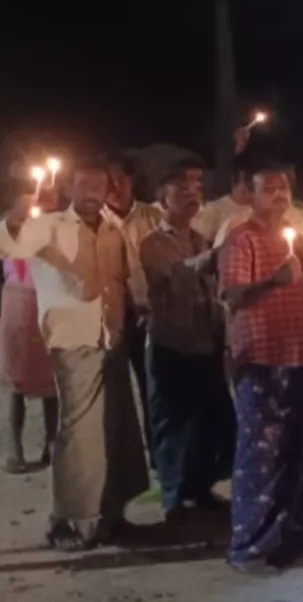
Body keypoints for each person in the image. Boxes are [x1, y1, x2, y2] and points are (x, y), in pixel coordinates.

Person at [0, 160, 150, 552]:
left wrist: (142, 305)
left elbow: (127, 274)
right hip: (73, 341)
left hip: (111, 338)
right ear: (69, 189)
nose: (91, 194)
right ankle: (68, 520)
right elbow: (8, 245)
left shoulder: (112, 227)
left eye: (98, 186)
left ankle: (110, 515)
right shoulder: (47, 225)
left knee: (117, 428)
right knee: (81, 434)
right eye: (83, 186)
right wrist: (16, 217)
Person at [219, 162, 303, 574]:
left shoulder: (300, 240)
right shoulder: (241, 240)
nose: (278, 194)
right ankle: (252, 545)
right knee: (261, 456)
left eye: (283, 187)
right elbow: (233, 297)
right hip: (263, 360)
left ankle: (298, 531)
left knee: (302, 453)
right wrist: (273, 280)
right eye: (268, 187)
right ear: (250, 195)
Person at [138, 158, 234, 522]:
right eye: (182, 189)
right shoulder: (153, 243)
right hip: (172, 344)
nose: (192, 194)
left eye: (197, 188)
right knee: (173, 424)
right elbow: (176, 274)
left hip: (205, 342)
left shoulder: (198, 238)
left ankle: (201, 487)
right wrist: (215, 257)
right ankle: (173, 498)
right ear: (163, 197)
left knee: (209, 421)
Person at [103, 155, 164, 467]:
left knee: (152, 386)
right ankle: (119, 461)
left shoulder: (154, 216)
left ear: (131, 180)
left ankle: (157, 452)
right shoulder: (91, 220)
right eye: (108, 181)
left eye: (120, 179)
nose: (115, 187)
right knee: (112, 393)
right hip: (109, 317)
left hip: (149, 316)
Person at [0, 184, 61, 474]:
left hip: (46, 307)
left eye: (33, 206)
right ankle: (14, 449)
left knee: (50, 382)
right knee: (17, 383)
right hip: (16, 310)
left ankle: (52, 444)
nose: (29, 211)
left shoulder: (50, 233)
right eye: (23, 207)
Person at [193, 157, 253, 243]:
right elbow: (199, 242)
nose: (252, 190)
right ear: (234, 182)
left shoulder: (262, 208)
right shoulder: (214, 209)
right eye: (248, 185)